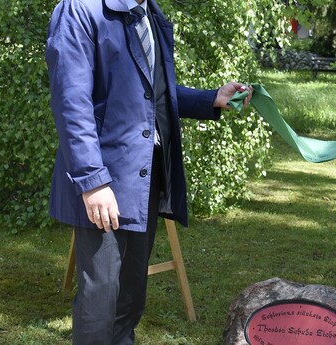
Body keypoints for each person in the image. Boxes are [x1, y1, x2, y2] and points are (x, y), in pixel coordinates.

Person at [46, 0, 252, 343]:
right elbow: (71, 103)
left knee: (131, 295)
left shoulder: (149, 14)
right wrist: (93, 181)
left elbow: (152, 95)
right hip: (105, 181)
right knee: (101, 301)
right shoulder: (80, 9)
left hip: (146, 176)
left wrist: (210, 98)